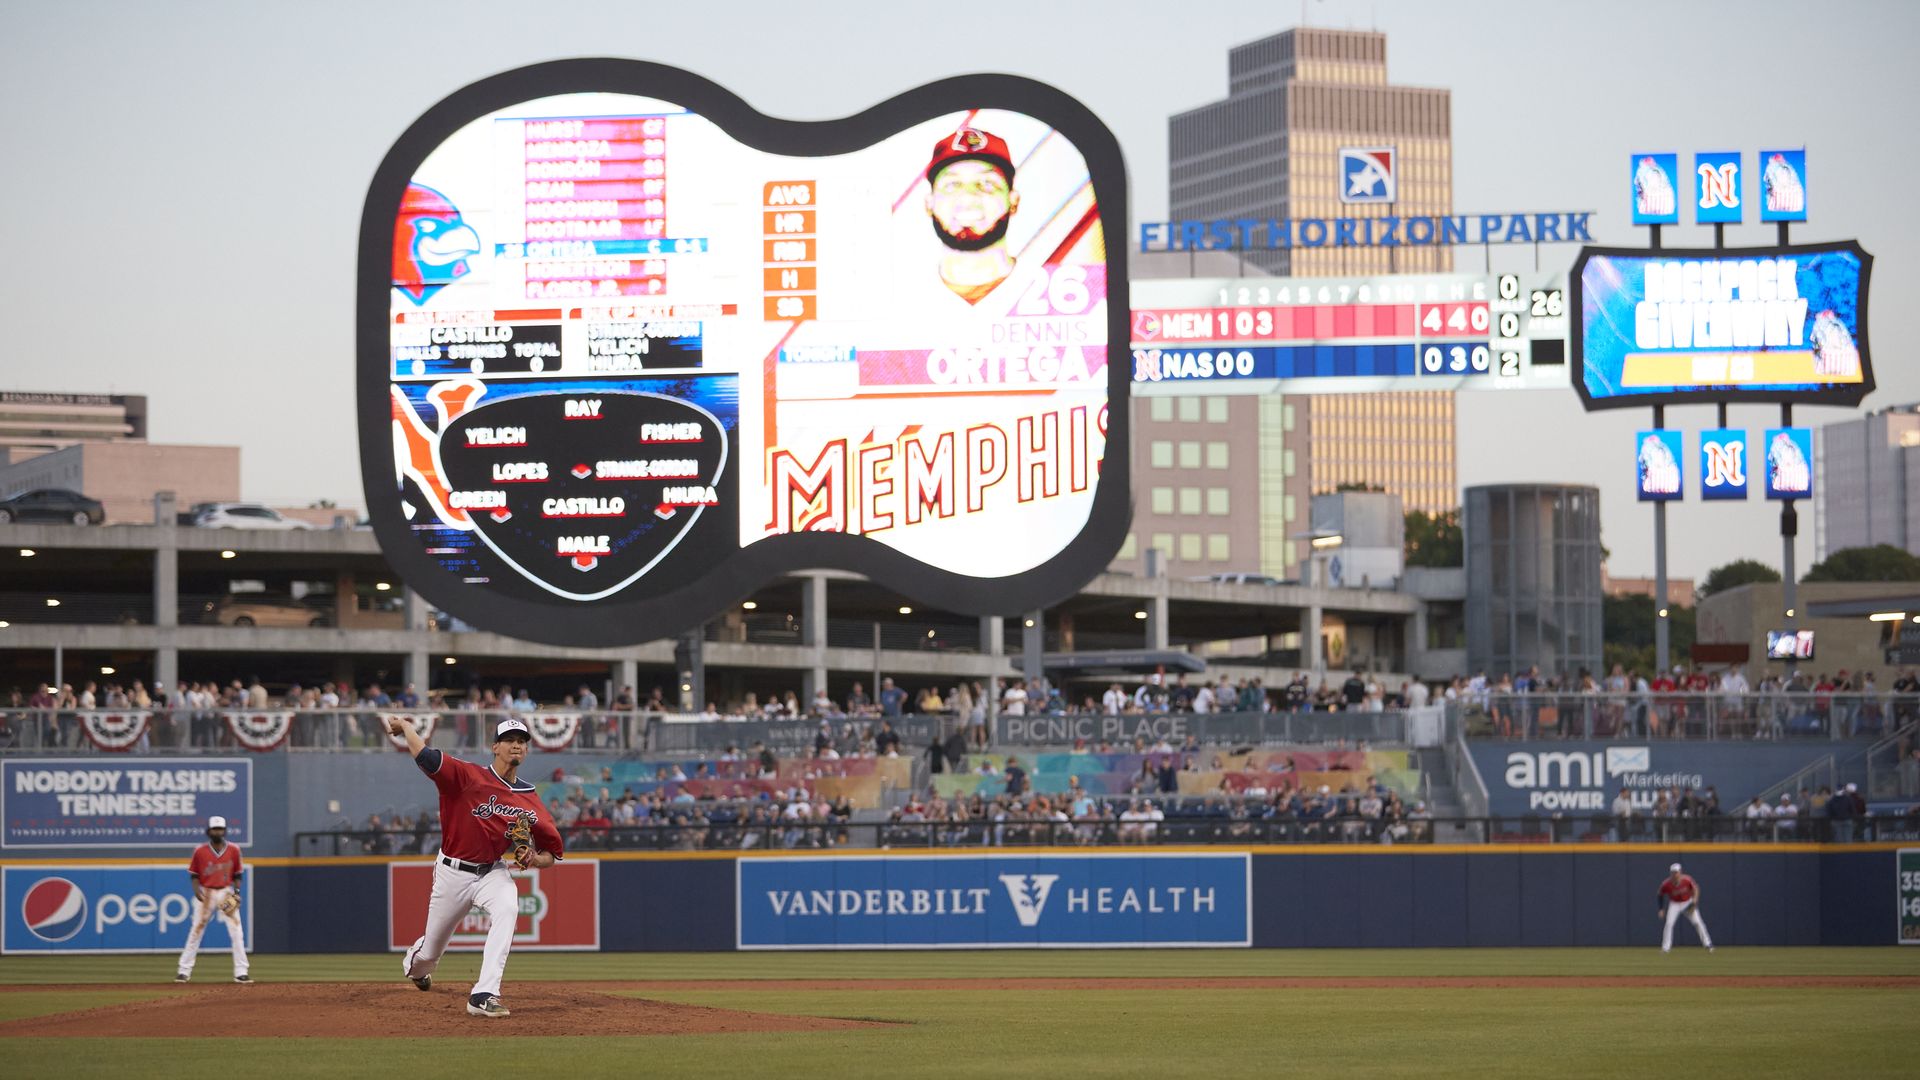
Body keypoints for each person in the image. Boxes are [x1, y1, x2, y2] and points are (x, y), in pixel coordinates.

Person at [388, 715, 565, 1019]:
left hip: (492, 871)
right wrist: (406, 728)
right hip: (452, 872)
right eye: (509, 741)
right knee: (428, 954)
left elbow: (553, 854)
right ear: (495, 747)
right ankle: (416, 968)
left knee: (508, 907)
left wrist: (534, 859)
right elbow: (425, 756)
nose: (516, 746)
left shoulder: (529, 798)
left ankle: (484, 993)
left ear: (526, 750)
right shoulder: (468, 776)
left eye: (521, 742)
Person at [924, 127, 1020, 304]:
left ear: (1013, 201)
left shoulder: (1057, 292)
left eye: (987, 183)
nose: (968, 197)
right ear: (929, 204)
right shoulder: (902, 298)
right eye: (952, 184)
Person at [174, 815, 250, 984]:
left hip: (226, 892)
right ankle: (184, 971)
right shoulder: (200, 850)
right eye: (215, 829)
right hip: (207, 892)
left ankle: (241, 971)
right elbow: (194, 874)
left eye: (220, 829)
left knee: (236, 931)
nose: (218, 832)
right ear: (209, 831)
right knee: (196, 930)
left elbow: (238, 874)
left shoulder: (234, 849)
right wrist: (196, 890)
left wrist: (237, 892)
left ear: (225, 830)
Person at [1656, 862, 1713, 953]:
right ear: (1670, 873)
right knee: (1669, 924)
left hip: (1687, 902)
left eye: (1676, 872)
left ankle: (1708, 944)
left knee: (1698, 922)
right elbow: (1660, 894)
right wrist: (1661, 909)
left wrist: (1695, 900)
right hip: (1674, 904)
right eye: (1673, 872)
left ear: (1680, 872)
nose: (1675, 874)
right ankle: (1666, 948)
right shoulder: (1666, 884)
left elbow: (1696, 888)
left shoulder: (1687, 880)